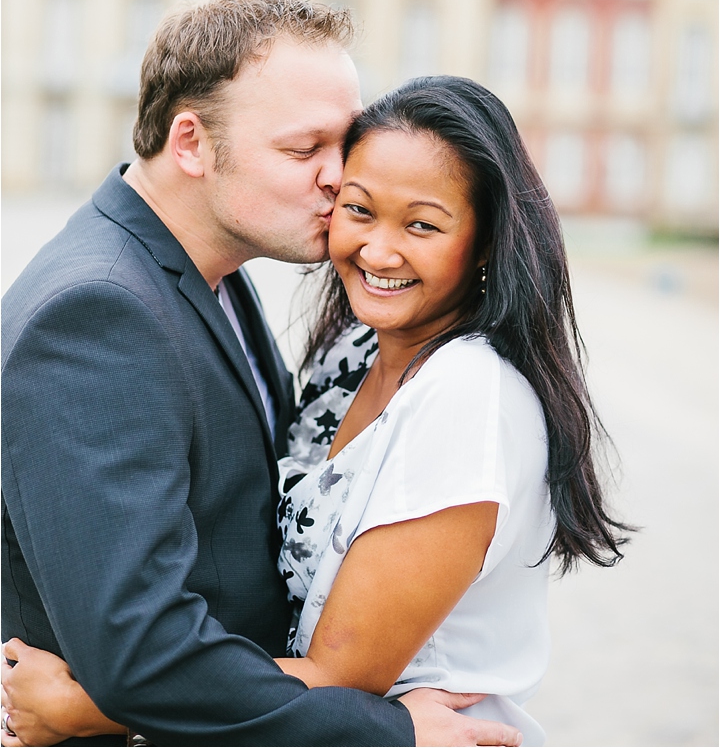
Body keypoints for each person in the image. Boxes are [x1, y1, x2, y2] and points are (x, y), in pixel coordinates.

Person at [4, 70, 631, 746]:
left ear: (485, 244)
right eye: (359, 210)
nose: (379, 249)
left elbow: (343, 673)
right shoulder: (355, 353)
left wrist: (94, 705)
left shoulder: (466, 397)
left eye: (421, 224)